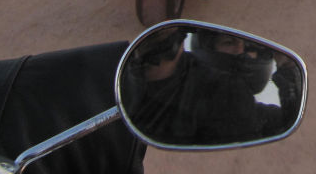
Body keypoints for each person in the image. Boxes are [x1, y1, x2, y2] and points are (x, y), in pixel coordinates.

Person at [122, 26, 301, 147]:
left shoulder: (256, 113)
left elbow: (287, 122)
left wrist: (288, 69)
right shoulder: (186, 79)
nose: (240, 52)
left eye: (250, 48)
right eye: (229, 43)